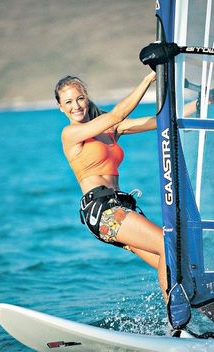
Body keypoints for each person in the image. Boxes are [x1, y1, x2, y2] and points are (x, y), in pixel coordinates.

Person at [54, 72, 168, 302]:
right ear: (60, 108)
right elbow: (118, 113)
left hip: (121, 206)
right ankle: (177, 323)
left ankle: (203, 314)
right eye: (68, 102)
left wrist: (201, 102)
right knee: (167, 244)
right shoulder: (71, 134)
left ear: (86, 98)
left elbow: (160, 121)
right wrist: (149, 78)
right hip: (102, 211)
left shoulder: (110, 130)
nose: (76, 106)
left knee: (173, 265)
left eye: (79, 98)